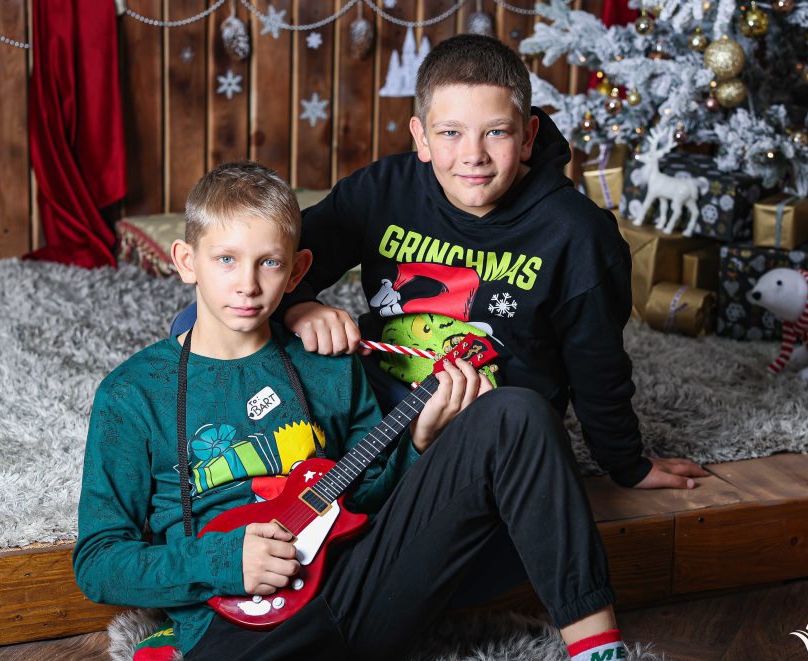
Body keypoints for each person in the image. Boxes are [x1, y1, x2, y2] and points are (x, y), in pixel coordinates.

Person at [75, 161, 634, 661]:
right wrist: (223, 562)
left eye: (269, 262)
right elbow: (98, 563)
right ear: (185, 261)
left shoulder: (328, 364)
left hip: (362, 593)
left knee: (517, 412)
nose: (247, 283)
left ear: (297, 270)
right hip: (237, 632)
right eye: (225, 260)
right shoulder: (132, 394)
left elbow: (365, 500)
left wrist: (418, 443)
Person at [171, 34, 708, 492]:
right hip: (376, 393)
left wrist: (626, 463)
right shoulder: (383, 189)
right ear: (421, 137)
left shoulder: (578, 234)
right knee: (201, 322)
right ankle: (227, 460)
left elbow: (598, 363)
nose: (473, 154)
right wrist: (300, 304)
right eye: (450, 132)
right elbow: (277, 263)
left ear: (527, 137)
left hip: (483, 416)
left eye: (496, 132)